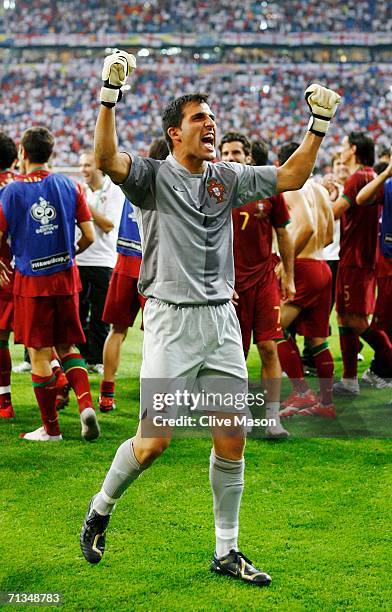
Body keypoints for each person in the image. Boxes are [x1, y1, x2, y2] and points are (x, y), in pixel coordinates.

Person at [80, 50, 340, 584]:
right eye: (200, 118)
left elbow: (292, 174)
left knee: (232, 438)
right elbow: (107, 158)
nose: (211, 124)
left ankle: (227, 551)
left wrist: (318, 125)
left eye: (212, 118)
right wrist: (109, 97)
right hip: (172, 322)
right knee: (153, 445)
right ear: (175, 133)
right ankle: (101, 507)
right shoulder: (151, 177)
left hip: (221, 319)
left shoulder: (229, 177)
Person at [0, 126, 99, 441]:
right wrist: (70, 254)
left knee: (39, 353)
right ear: (51, 154)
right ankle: (86, 407)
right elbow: (89, 236)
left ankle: (51, 429)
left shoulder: (12, 191)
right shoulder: (70, 185)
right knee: (67, 346)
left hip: (33, 281)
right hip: (66, 278)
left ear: (23, 154)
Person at [220, 131, 294, 438]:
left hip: (264, 279)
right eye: (226, 153)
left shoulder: (268, 187)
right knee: (234, 354)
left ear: (248, 157)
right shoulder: (215, 191)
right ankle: (241, 410)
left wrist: (288, 274)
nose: (230, 158)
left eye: (236, 153)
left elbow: (284, 232)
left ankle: (272, 418)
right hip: (230, 284)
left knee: (268, 348)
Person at [99, 138, 168, 412]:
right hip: (152, 266)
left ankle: (106, 393)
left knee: (116, 331)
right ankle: (155, 401)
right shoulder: (170, 182)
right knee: (157, 336)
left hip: (124, 262)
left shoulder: (131, 175)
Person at [275, 142, 335, 419]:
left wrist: (287, 263)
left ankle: (301, 392)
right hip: (322, 266)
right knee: (317, 340)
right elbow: (329, 235)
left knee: (273, 330)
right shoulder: (321, 190)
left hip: (302, 268)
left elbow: (308, 226)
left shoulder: (294, 186)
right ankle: (326, 403)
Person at [332, 132, 392, 395]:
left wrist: (316, 198)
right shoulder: (371, 177)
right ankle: (349, 380)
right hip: (364, 258)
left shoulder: (357, 178)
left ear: (353, 149)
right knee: (345, 317)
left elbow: (335, 212)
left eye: (344, 146)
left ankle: (386, 360)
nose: (341, 151)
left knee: (356, 320)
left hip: (354, 259)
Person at [77, 151, 124, 374]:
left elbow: (107, 225)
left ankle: (96, 360)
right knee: (77, 313)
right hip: (80, 258)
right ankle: (81, 357)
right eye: (82, 166)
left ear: (99, 167)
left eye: (88, 165)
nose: (84, 170)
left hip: (103, 261)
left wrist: (83, 206)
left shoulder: (114, 191)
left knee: (99, 315)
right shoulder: (82, 191)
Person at [356, 155, 392, 388]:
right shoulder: (387, 185)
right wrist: (387, 173)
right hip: (387, 265)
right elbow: (362, 198)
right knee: (387, 328)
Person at [0, 132, 19, 418]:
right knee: (41, 341)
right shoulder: (22, 185)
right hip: (29, 270)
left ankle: (4, 402)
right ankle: (59, 377)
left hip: (2, 270)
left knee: (0, 339)